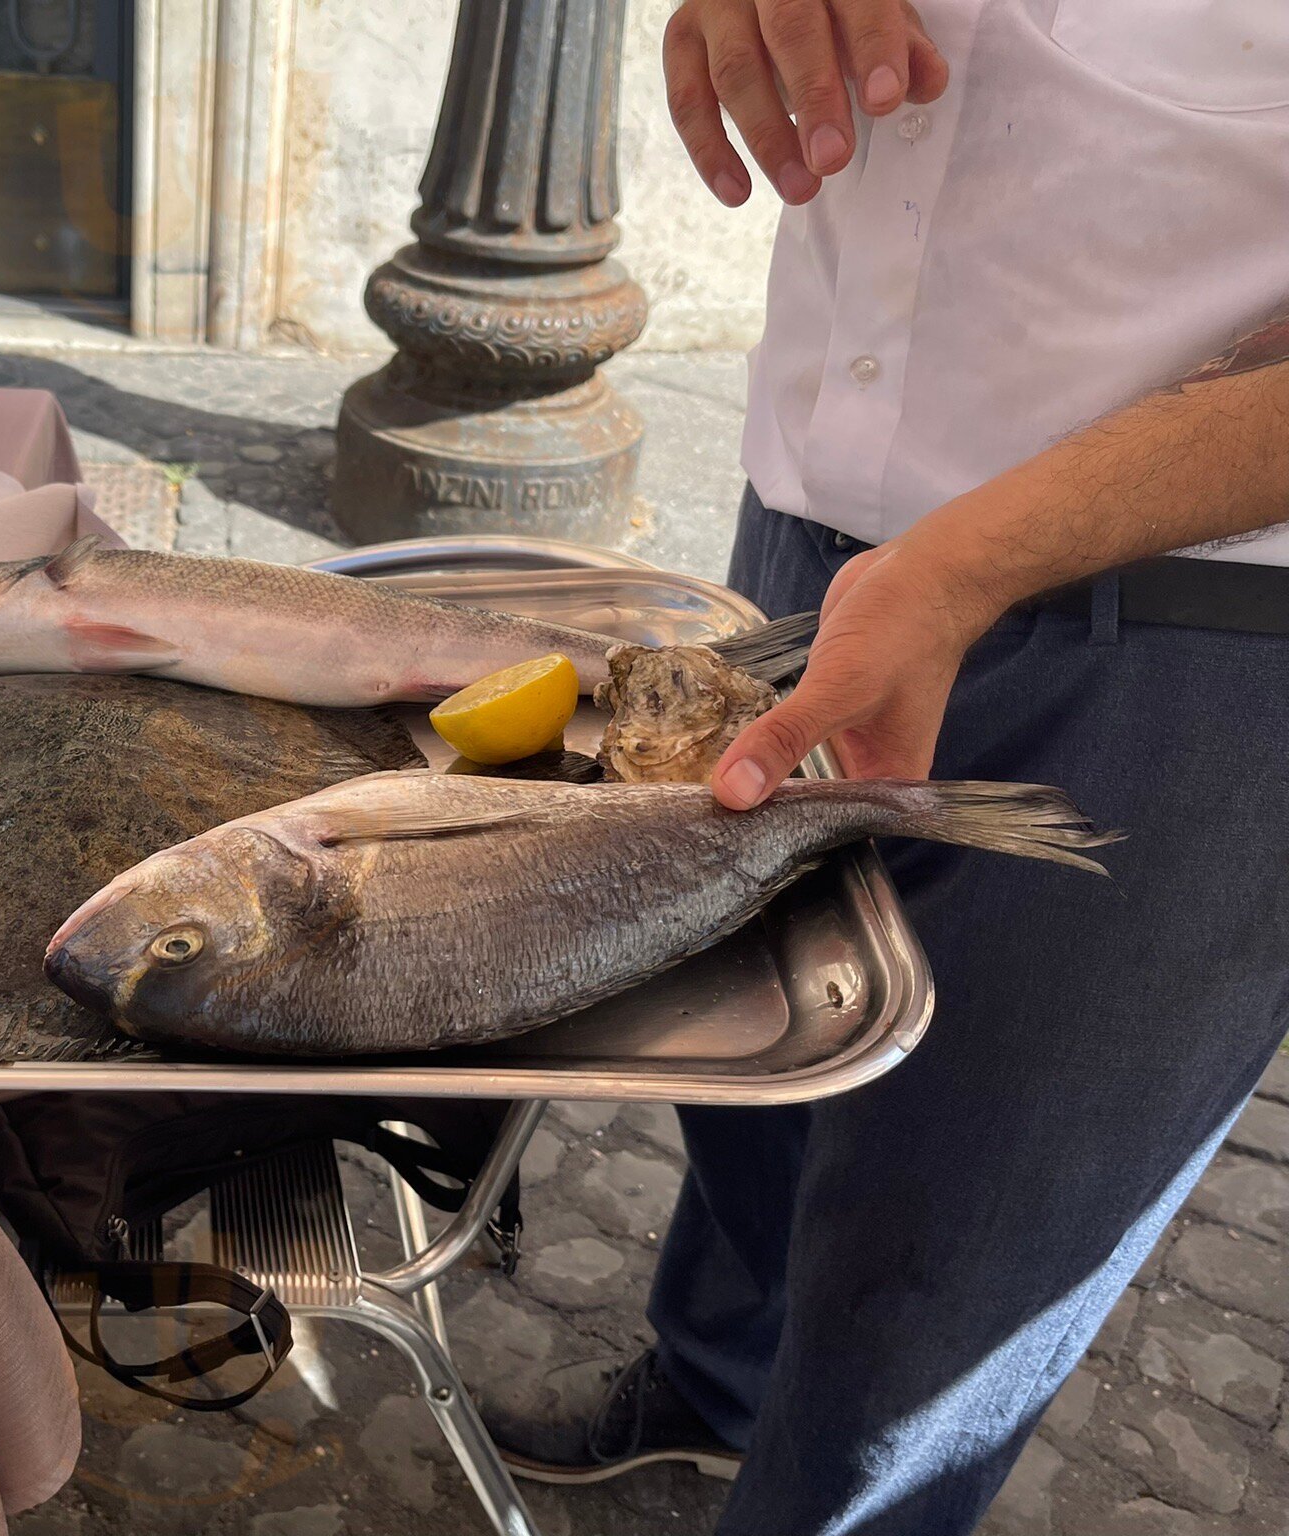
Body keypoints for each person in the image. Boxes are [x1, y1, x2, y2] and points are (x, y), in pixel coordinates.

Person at [483, 2, 1289, 1532]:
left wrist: (974, 558)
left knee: (963, 1254)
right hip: (812, 514)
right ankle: (720, 1384)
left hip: (1211, 615)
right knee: (733, 1063)